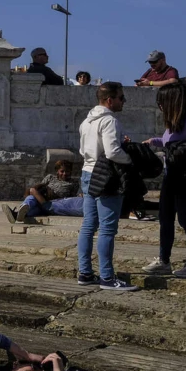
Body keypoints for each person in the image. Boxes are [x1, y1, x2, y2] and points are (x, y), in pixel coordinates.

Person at [142, 84, 186, 279]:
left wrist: (183, 155)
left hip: (184, 179)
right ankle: (164, 260)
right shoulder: (174, 123)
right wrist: (155, 141)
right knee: (165, 219)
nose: (160, 106)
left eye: (162, 102)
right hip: (170, 177)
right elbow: (171, 144)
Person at [78, 82, 139, 291]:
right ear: (110, 100)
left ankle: (85, 272)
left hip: (87, 172)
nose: (124, 101)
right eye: (122, 97)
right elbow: (112, 152)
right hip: (105, 175)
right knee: (107, 229)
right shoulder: (109, 121)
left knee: (88, 226)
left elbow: (82, 150)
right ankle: (107, 277)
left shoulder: (86, 121)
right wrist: (129, 158)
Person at [2, 159, 83, 222]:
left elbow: (71, 199)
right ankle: (18, 213)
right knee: (31, 198)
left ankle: (17, 214)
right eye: (62, 171)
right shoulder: (50, 177)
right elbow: (39, 187)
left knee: (33, 196)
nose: (65, 174)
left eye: (67, 171)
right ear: (57, 171)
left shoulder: (73, 183)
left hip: (53, 204)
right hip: (41, 198)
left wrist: (80, 195)